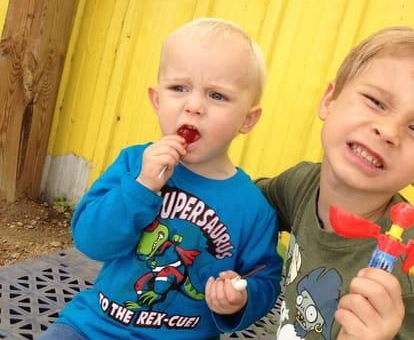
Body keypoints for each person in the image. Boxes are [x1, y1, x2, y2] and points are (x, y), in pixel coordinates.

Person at [40, 18, 283, 339]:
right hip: (94, 327)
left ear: (247, 119)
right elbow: (90, 241)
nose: (194, 106)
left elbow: (265, 278)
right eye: (179, 88)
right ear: (157, 100)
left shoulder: (253, 208)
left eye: (217, 96)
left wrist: (241, 297)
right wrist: (140, 187)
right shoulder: (134, 163)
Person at [257, 27, 414, 340]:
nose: (388, 131)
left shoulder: (410, 286)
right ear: (330, 99)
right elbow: (249, 205)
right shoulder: (301, 184)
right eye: (376, 102)